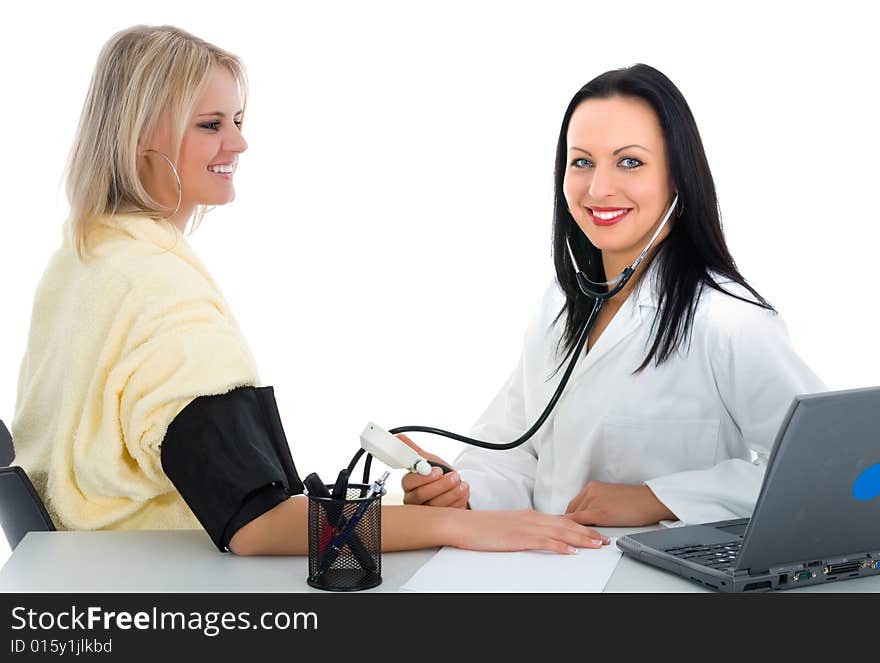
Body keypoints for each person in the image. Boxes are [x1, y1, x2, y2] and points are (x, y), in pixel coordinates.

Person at [11, 25, 610, 556]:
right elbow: (258, 523)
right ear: (143, 139)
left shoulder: (84, 261)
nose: (238, 145)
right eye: (210, 125)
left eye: (239, 122)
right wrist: (460, 529)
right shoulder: (157, 291)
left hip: (86, 589)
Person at [400, 64, 825, 527]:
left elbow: (825, 470)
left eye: (630, 162)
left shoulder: (729, 321)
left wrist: (657, 498)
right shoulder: (558, 307)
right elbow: (516, 452)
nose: (598, 189)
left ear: (678, 177)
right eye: (581, 161)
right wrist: (460, 492)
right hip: (545, 570)